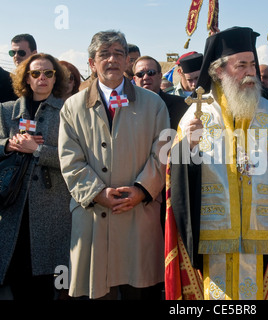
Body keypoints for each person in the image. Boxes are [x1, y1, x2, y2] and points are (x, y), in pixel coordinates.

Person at [164, 26, 268, 300]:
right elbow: (177, 175)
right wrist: (188, 147)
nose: (250, 71)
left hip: (263, 230)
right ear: (219, 71)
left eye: (252, 64)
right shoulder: (197, 112)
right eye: (241, 65)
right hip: (212, 229)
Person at [58, 30, 169, 300]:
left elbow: (164, 151)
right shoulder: (72, 107)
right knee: (98, 293)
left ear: (127, 61)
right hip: (94, 216)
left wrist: (142, 190)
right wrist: (98, 193)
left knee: (140, 291)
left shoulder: (153, 104)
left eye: (119, 53)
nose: (112, 60)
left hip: (139, 215)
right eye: (104, 54)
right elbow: (70, 160)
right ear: (91, 63)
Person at [0, 53, 71, 300]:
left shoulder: (68, 112)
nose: (42, 77)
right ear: (26, 78)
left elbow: (75, 159)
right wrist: (8, 145)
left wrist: (37, 150)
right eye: (36, 73)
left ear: (55, 78)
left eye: (48, 73)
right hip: (13, 206)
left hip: (51, 208)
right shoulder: (6, 110)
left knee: (43, 280)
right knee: (16, 274)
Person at [133, 55, 189, 233]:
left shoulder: (182, 106)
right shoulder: (125, 107)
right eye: (140, 74)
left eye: (150, 72)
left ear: (160, 76)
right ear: (134, 79)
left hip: (172, 184)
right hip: (138, 184)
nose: (145, 77)